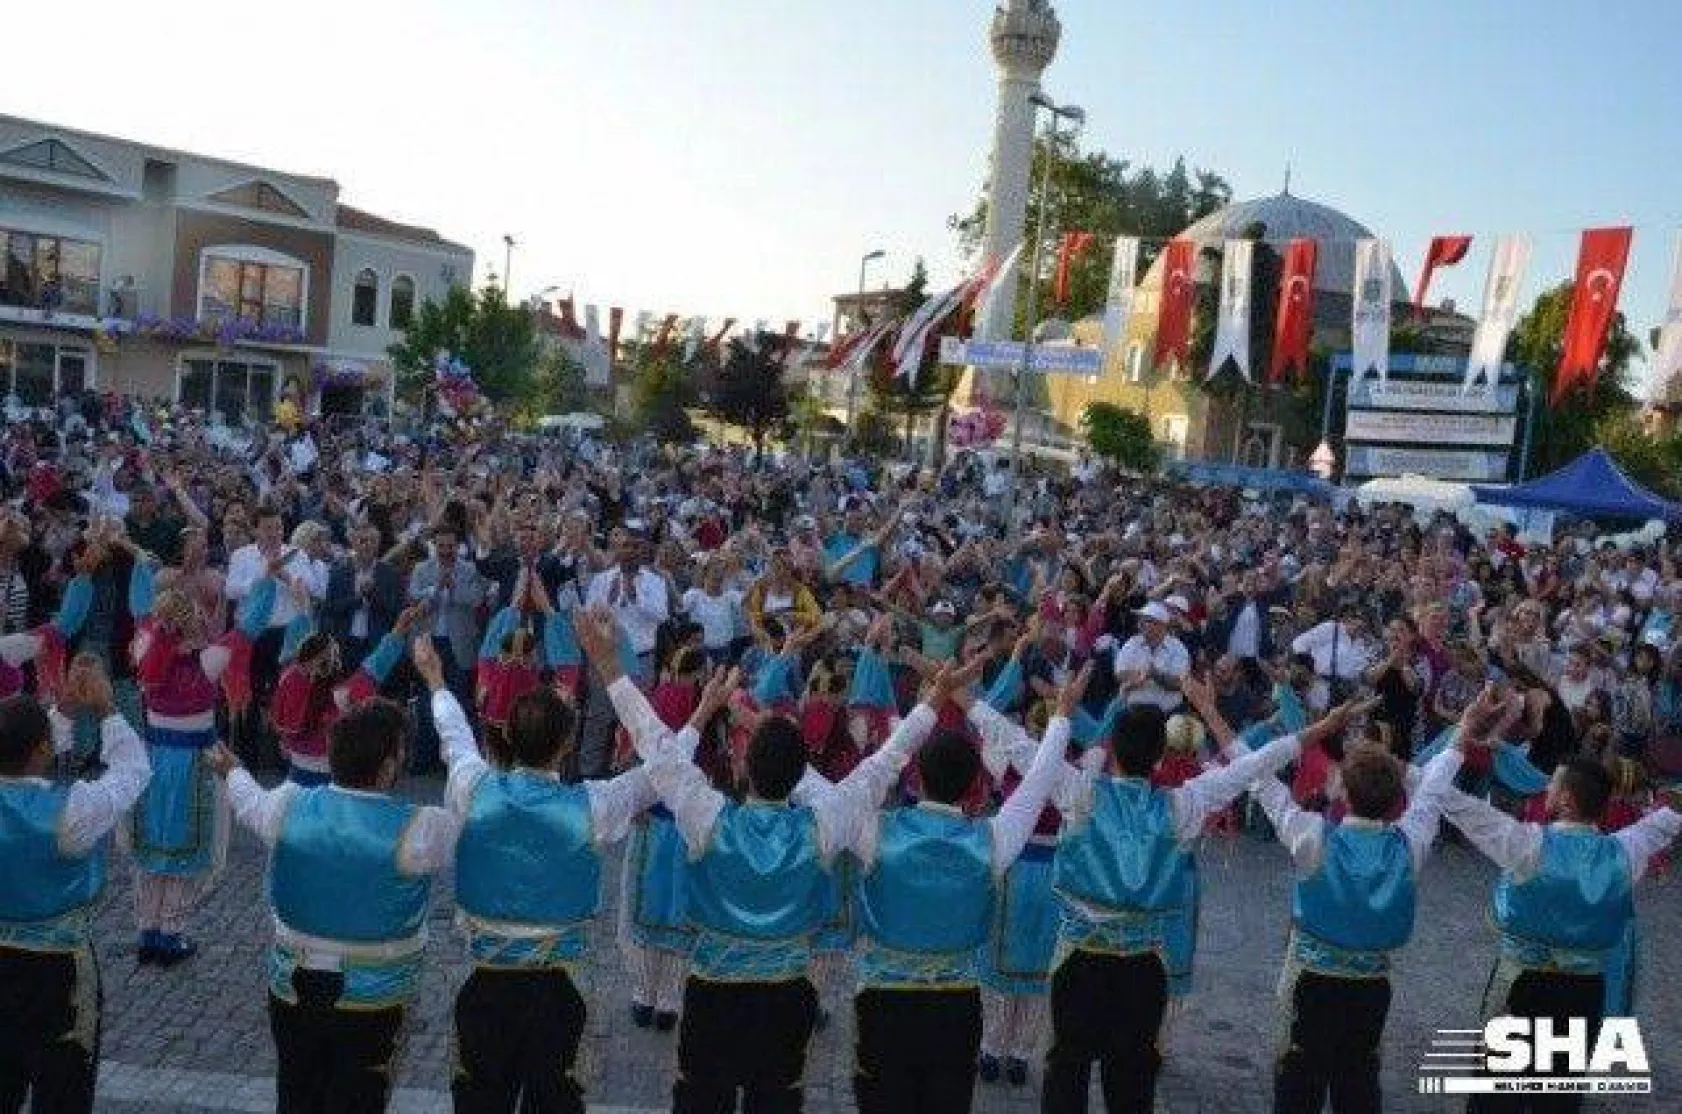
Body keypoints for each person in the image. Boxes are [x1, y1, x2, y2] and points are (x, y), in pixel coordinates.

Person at [576, 606, 958, 1114]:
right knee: (775, 1101)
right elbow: (884, 764)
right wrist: (933, 699)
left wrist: (609, 665)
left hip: (715, 992)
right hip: (785, 994)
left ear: (742, 764)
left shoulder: (710, 817)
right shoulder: (822, 824)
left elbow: (658, 747)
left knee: (702, 1101)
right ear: (799, 775)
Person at [1189, 677, 1508, 1114]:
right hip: (1371, 985)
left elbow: (1255, 773)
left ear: (1342, 791)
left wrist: (1211, 713)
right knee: (1357, 1080)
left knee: (1299, 1082)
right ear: (1395, 798)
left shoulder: (1312, 837)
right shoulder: (1409, 844)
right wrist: (1463, 730)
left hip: (1312, 981)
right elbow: (1434, 789)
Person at [436, 640, 722, 1114]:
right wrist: (701, 715)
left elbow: (456, 739)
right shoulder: (589, 806)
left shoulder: (474, 787)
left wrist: (436, 682)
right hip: (556, 989)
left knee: (480, 1100)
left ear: (509, 734)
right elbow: (660, 775)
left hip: (487, 984)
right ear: (568, 744)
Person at [208, 667, 460, 1114]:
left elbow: (251, 804)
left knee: (297, 1092)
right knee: (360, 1099)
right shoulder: (421, 828)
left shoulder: (289, 804)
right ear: (388, 766)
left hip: (292, 984)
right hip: (374, 993)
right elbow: (474, 808)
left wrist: (233, 772)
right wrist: (444, 700)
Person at [1041, 698, 1306, 1114]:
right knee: (1132, 1078)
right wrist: (1315, 730)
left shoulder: (1079, 792)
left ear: (1112, 748)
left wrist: (1061, 713)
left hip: (1080, 959)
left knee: (1066, 1070)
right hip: (1143, 965)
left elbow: (1022, 749)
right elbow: (1249, 768)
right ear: (1159, 756)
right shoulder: (1180, 805)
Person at [848, 666, 1085, 1114]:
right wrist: (1061, 718)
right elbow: (1038, 781)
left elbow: (875, 769)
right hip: (955, 1005)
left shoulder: (875, 831)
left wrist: (931, 704)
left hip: (884, 1000)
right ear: (976, 784)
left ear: (917, 776)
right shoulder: (991, 842)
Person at [1442, 755, 1682, 1114]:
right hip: (1583, 990)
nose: (1547, 789)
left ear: (1566, 799)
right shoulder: (1624, 851)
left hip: (1521, 983)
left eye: (1553, 784)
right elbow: (1666, 821)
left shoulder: (1527, 844)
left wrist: (1422, 769)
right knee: (1559, 1092)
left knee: (1496, 1091)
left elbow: (1463, 808)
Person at [0, 656, 150, 1114]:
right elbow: (132, 772)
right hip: (58, 970)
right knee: (63, 1091)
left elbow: (29, 759)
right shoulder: (72, 809)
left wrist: (60, 715)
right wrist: (106, 710)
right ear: (42, 747)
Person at [408, 522, 490, 774]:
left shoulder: (469, 569)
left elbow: (476, 599)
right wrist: (436, 588)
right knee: (426, 703)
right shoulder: (422, 569)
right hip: (430, 643)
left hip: (459, 646)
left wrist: (453, 588)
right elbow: (413, 595)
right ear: (434, 546)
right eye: (441, 546)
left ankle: (455, 762)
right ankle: (425, 759)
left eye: (450, 546)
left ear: (458, 546)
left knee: (458, 702)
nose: (446, 551)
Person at [321, 523, 403, 666]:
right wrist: (358, 598)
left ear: (378, 544)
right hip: (344, 644)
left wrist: (372, 594)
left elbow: (394, 611)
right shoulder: (338, 572)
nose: (367, 545)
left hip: (376, 645)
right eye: (363, 540)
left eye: (372, 541)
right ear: (353, 543)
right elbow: (330, 608)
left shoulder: (390, 574)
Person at [1113, 601, 1191, 713]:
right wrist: (1142, 674)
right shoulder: (1132, 643)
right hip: (1134, 712)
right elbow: (1119, 673)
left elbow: (1179, 683)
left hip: (1167, 714)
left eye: (1147, 621)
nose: (1140, 624)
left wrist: (1155, 675)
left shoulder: (1178, 648)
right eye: (1141, 620)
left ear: (1161, 625)